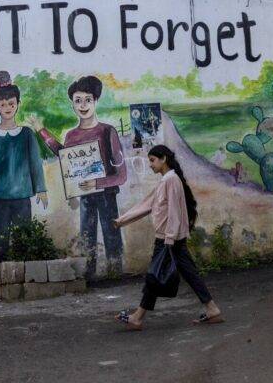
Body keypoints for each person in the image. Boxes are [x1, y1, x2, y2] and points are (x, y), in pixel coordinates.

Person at [112, 145, 222, 330]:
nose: (150, 165)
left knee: (154, 276)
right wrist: (122, 220)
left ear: (164, 159)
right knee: (185, 273)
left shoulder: (170, 180)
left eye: (153, 160)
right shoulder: (168, 179)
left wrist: (169, 240)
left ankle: (137, 317)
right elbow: (149, 204)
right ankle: (212, 309)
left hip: (167, 239)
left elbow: (174, 212)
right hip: (171, 239)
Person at [29, 75, 126, 279]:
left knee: (112, 234)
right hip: (85, 194)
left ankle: (116, 274)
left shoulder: (107, 131)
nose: (83, 105)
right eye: (78, 100)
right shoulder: (71, 135)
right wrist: (41, 131)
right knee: (87, 236)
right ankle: (89, 275)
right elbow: (64, 157)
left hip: (107, 194)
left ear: (96, 101)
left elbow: (121, 175)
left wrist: (98, 182)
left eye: (88, 100)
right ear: (72, 104)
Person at [0, 71, 48, 282]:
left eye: (11, 103)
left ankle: (27, 278)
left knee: (25, 237)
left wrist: (41, 189)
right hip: (1, 197)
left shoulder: (26, 134)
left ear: (18, 103)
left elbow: (36, 164)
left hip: (23, 196)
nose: (7, 108)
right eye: (3, 104)